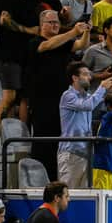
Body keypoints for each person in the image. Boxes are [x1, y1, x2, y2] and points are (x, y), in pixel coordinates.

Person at [26, 10, 92, 181]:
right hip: (43, 103)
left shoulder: (62, 43)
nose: (55, 25)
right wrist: (72, 32)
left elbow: (80, 45)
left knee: (61, 143)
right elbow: (47, 46)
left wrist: (86, 30)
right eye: (51, 22)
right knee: (44, 142)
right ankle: (40, 180)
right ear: (41, 25)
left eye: (57, 22)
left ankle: (59, 180)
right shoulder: (34, 43)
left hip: (63, 104)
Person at [0, 0, 47, 126]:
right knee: (9, 97)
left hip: (23, 56)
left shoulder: (31, 1)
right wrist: (29, 30)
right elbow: (4, 20)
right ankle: (0, 133)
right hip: (8, 55)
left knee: (17, 98)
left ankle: (8, 133)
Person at [59, 61, 112, 188]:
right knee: (69, 193)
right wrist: (102, 88)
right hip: (71, 154)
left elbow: (97, 105)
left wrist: (108, 91)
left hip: (87, 152)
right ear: (75, 78)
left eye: (89, 74)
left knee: (85, 195)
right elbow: (88, 105)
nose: (89, 77)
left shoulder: (88, 96)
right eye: (85, 74)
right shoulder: (67, 96)